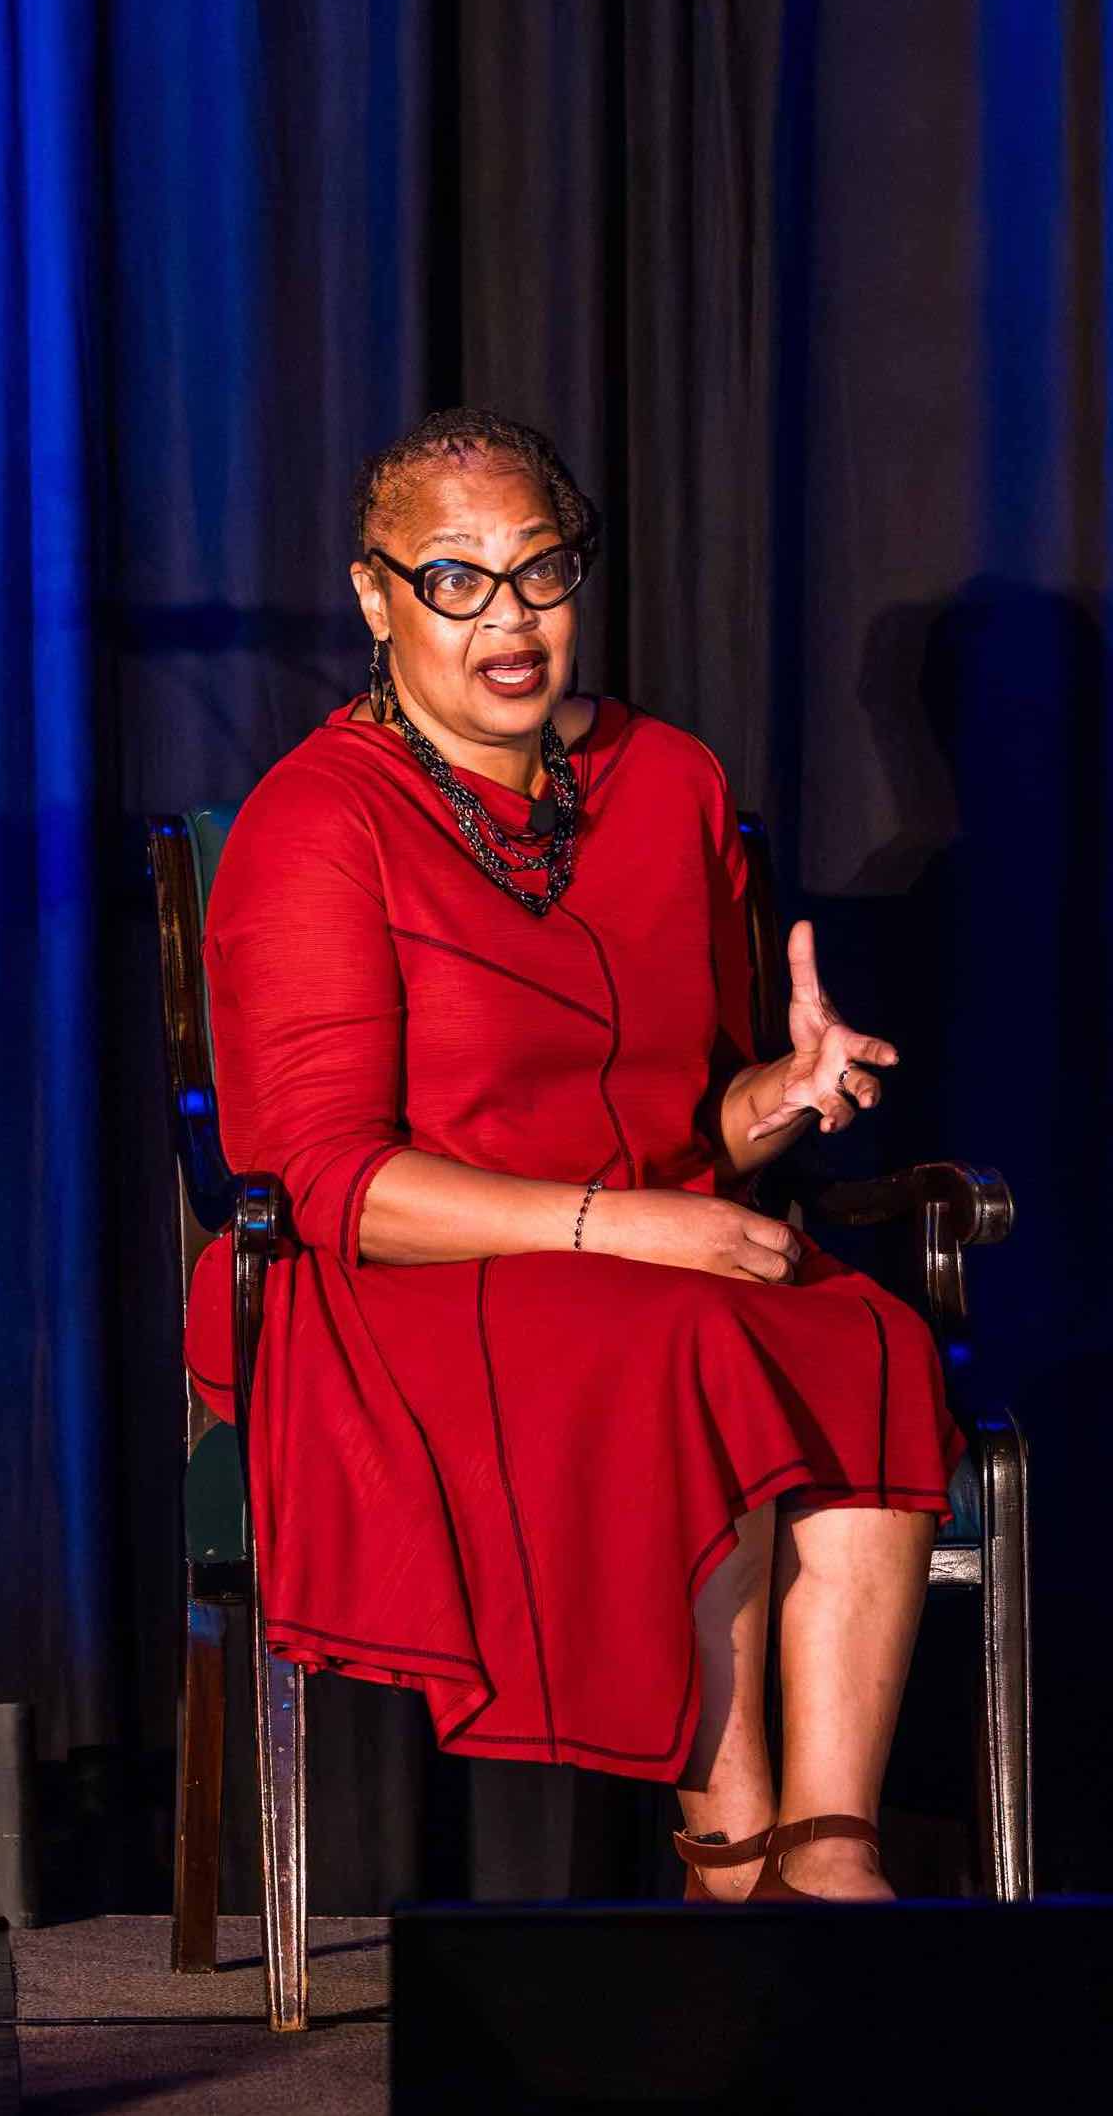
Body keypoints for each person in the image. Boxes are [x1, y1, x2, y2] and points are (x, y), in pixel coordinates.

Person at [191, 409, 952, 1902]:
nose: (509, 620)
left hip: (649, 1247)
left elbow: (694, 1125)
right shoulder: (317, 822)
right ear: (375, 596)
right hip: (393, 1285)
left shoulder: (663, 781)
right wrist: (630, 1228)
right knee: (688, 1340)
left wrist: (781, 1099)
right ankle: (727, 1854)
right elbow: (329, 1183)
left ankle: (831, 1847)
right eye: (457, 580)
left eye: (538, 574)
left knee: (866, 1338)